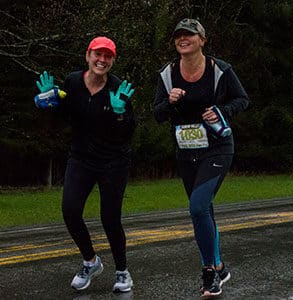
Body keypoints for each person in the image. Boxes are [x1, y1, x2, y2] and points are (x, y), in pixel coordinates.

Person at [154, 18, 249, 299]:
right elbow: (158, 114)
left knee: (197, 207)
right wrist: (169, 101)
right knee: (203, 210)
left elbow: (242, 99)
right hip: (187, 151)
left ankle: (209, 272)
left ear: (202, 40)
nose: (183, 39)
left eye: (189, 35)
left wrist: (221, 110)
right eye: (179, 36)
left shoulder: (219, 69)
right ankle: (220, 266)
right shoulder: (167, 74)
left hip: (218, 147)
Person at [34, 36, 135, 293]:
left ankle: (122, 272)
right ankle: (90, 261)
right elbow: (64, 117)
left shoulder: (117, 88)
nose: (102, 60)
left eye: (108, 56)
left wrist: (120, 113)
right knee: (70, 210)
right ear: (88, 56)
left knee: (110, 218)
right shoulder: (72, 82)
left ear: (113, 61)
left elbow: (128, 132)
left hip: (113, 161)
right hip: (81, 158)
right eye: (97, 55)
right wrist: (50, 104)